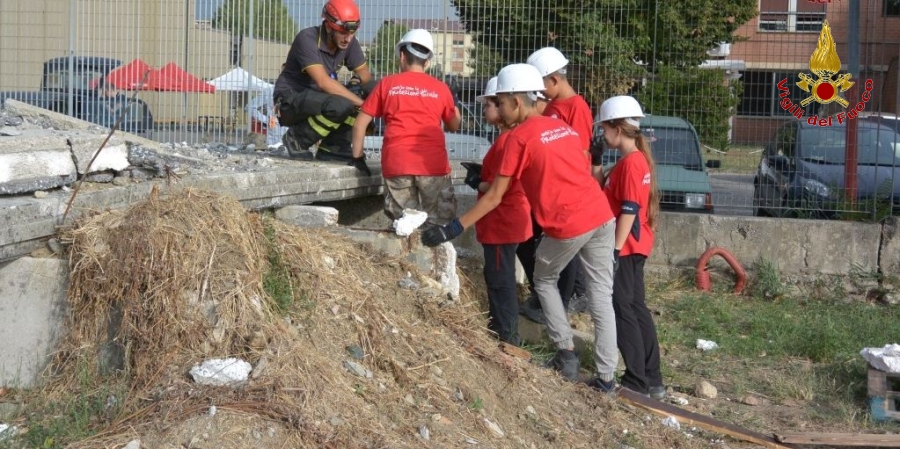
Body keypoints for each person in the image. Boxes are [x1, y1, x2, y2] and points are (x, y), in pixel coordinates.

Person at [420, 64, 619, 392]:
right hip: (601, 215)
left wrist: (453, 228)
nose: (498, 107)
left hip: (571, 222)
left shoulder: (517, 139)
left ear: (516, 100)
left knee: (543, 279)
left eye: (501, 101)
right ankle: (607, 379)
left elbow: (495, 196)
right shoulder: (562, 128)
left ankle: (566, 354)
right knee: (601, 295)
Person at [349, 29, 461, 226]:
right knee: (439, 224)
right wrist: (455, 106)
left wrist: (358, 157)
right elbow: (453, 125)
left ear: (402, 56)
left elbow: (360, 123)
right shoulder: (441, 88)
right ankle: (435, 254)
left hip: (397, 163)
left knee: (404, 224)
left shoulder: (387, 84)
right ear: (427, 62)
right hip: (432, 165)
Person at [598, 95, 666, 399]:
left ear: (616, 127)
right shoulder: (631, 159)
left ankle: (637, 379)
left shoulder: (632, 163)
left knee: (621, 307)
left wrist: (614, 249)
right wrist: (596, 160)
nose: (602, 134)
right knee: (636, 306)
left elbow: (628, 209)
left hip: (625, 246)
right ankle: (652, 378)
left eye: (604, 129)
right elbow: (606, 193)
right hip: (634, 244)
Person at [517, 46, 592, 322]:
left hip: (564, 192)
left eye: (541, 86)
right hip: (545, 190)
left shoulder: (576, 108)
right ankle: (545, 294)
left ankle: (561, 299)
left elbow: (581, 154)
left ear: (554, 80)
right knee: (529, 241)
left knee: (565, 249)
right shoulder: (551, 105)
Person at [466, 76, 531, 346]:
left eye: (490, 104)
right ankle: (503, 333)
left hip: (500, 222)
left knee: (500, 280)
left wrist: (477, 182)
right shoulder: (508, 139)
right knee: (500, 277)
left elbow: (498, 187)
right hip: (506, 219)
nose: (485, 111)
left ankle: (505, 338)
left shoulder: (508, 141)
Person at [273, 0, 374, 162]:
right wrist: (365, 106)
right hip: (289, 101)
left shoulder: (349, 42)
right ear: (328, 26)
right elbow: (323, 82)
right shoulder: (307, 38)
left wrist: (384, 100)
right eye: (343, 33)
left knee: (364, 92)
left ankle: (332, 148)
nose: (348, 39)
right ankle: (296, 139)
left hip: (319, 99)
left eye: (352, 33)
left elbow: (366, 79)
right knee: (344, 103)